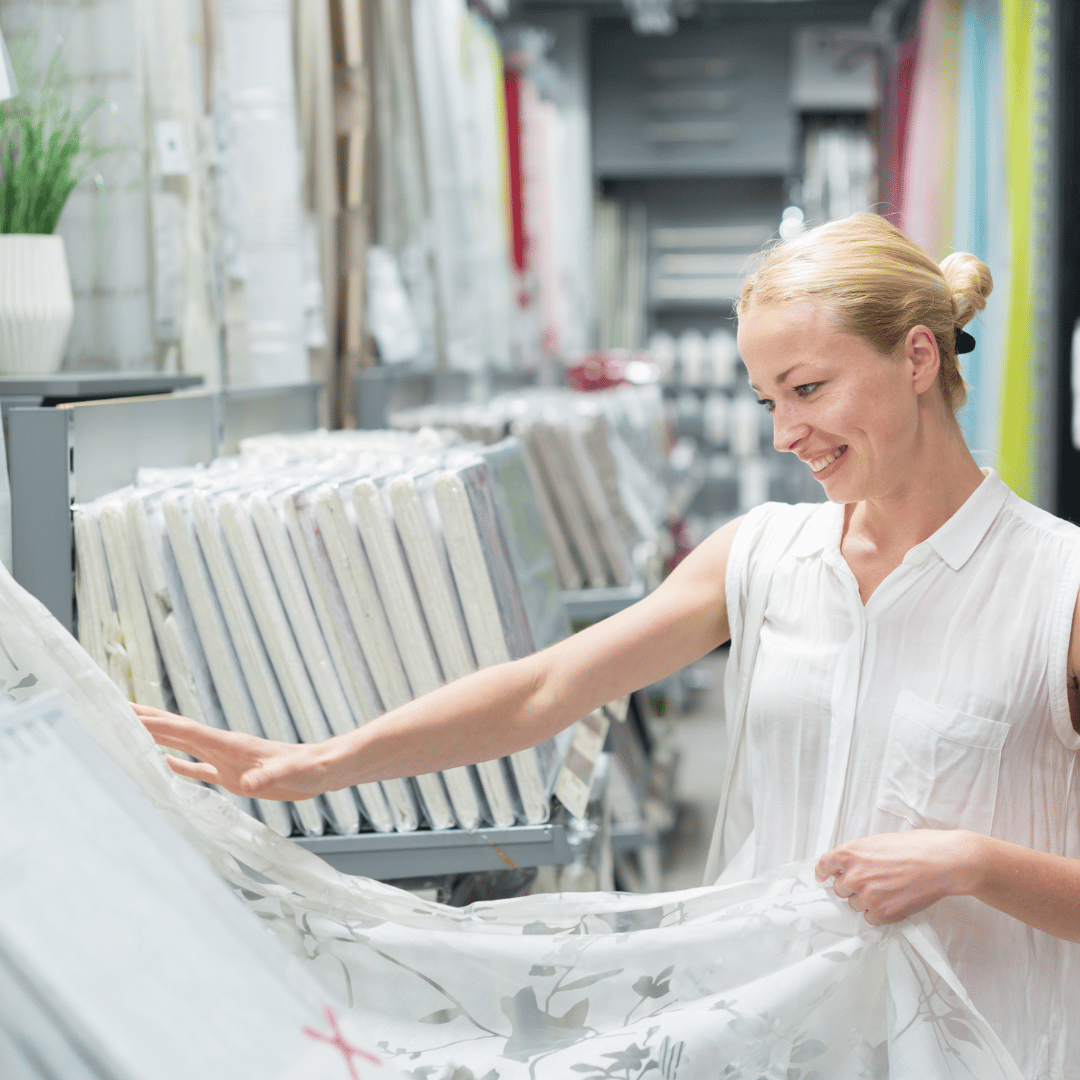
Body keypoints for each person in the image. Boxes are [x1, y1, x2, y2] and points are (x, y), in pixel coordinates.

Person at [138, 213, 1080, 1076]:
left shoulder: (1057, 587)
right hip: (764, 1046)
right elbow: (549, 687)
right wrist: (319, 764)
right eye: (767, 401)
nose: (789, 433)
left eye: (809, 389)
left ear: (918, 357)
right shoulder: (762, 556)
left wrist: (972, 863)